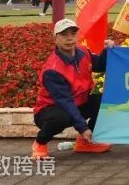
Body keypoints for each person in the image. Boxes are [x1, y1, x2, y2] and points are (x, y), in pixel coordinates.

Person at [31, 19, 114, 159]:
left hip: (78, 103)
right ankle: (40, 143)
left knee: (104, 101)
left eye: (73, 34)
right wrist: (83, 128)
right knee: (62, 117)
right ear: (55, 38)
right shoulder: (52, 70)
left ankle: (86, 143)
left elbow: (99, 65)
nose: (69, 38)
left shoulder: (83, 51)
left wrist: (107, 51)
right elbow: (65, 101)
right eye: (64, 35)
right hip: (51, 109)